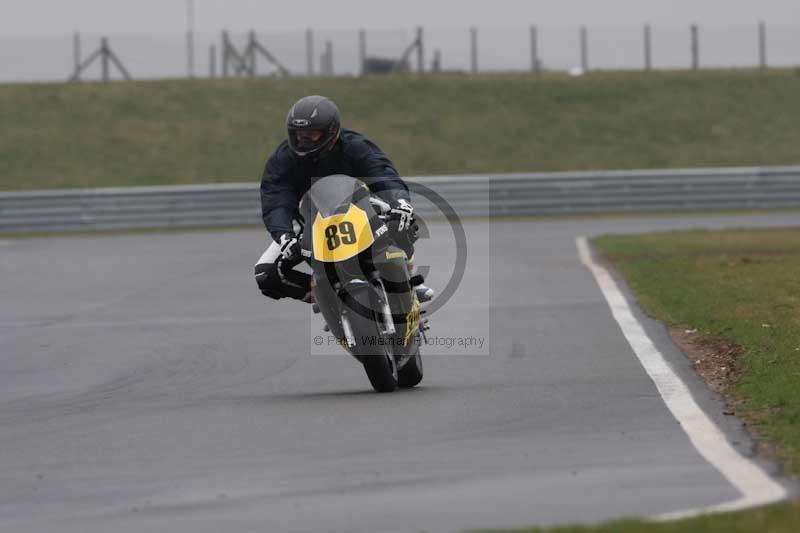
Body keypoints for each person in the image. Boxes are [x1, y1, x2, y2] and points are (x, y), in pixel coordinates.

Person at [254, 95, 434, 303]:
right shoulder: (282, 160)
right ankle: (326, 298)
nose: (303, 140)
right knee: (266, 274)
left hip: (362, 212)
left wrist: (400, 202)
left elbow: (383, 174)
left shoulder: (356, 146)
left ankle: (409, 281)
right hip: (310, 224)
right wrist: (283, 235)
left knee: (402, 220)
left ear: (330, 132)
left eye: (311, 135)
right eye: (298, 135)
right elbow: (275, 200)